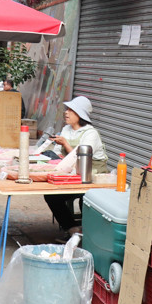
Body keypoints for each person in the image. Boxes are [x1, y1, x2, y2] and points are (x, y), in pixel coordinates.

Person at [46, 96, 106, 236]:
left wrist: (65, 144)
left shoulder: (91, 134)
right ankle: (72, 228)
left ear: (80, 115)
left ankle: (89, 234)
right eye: (67, 109)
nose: (66, 112)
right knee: (51, 195)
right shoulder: (66, 129)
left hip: (91, 176)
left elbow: (81, 158)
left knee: (86, 198)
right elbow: (58, 154)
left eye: (71, 110)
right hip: (71, 174)